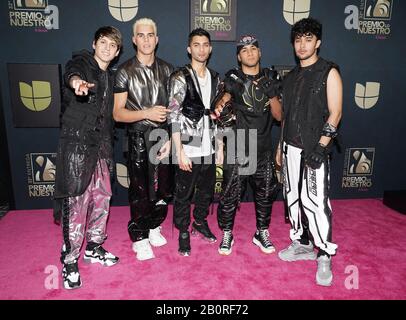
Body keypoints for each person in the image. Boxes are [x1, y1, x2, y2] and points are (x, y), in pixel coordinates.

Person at [276, 18, 343, 286]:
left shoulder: (329, 71)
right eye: (298, 39)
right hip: (290, 147)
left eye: (308, 39)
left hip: (315, 149)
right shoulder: (290, 77)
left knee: (315, 202)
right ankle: (301, 243)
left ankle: (324, 253)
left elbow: (336, 112)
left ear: (318, 42)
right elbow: (286, 117)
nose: (302, 45)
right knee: (292, 197)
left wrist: (322, 146)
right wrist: (280, 148)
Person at [54, 26, 122, 290]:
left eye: (112, 45)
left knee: (102, 200)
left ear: (117, 52)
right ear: (94, 43)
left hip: (103, 147)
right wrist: (77, 83)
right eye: (103, 42)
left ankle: (94, 247)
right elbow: (72, 73)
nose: (106, 48)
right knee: (77, 205)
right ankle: (70, 260)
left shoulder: (111, 76)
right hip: (77, 146)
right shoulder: (83, 62)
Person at [215, 35, 282, 256]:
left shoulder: (272, 77)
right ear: (238, 56)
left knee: (264, 194)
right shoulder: (233, 78)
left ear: (260, 53)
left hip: (262, 145)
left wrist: (271, 93)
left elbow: (279, 116)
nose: (250, 53)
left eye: (254, 48)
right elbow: (222, 101)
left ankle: (261, 232)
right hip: (238, 146)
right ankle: (227, 232)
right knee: (230, 194)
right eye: (245, 50)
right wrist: (222, 105)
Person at [113, 18, 174, 261]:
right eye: (142, 35)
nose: (146, 39)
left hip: (162, 138)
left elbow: (174, 109)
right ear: (134, 39)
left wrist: (171, 138)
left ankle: (154, 227)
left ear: (157, 39)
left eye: (151, 35)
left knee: (161, 189)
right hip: (138, 136)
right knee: (140, 190)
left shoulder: (169, 70)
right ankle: (139, 238)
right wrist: (147, 113)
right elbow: (117, 113)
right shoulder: (124, 71)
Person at [168, 28, 222, 256]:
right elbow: (173, 114)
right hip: (188, 146)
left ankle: (199, 222)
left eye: (205, 44)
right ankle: (182, 231)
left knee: (206, 192)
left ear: (210, 48)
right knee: (183, 193)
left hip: (208, 145)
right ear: (189, 49)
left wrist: (219, 146)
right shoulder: (180, 77)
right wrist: (179, 150)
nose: (201, 49)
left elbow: (218, 114)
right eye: (196, 44)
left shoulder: (216, 78)